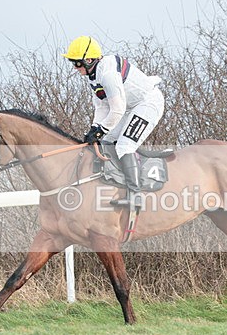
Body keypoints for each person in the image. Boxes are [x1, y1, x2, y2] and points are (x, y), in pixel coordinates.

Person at [63, 36, 165, 208]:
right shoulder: (92, 75)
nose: (75, 67)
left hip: (147, 104)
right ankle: (118, 182)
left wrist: (101, 129)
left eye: (77, 63)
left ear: (88, 60)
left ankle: (135, 195)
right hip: (129, 107)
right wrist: (94, 128)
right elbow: (102, 106)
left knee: (124, 146)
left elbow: (116, 109)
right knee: (107, 141)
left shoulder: (108, 74)